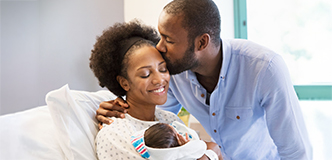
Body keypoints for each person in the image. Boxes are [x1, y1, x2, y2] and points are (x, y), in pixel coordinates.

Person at [96, 0, 312, 159]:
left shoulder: (264, 68)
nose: (159, 47)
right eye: (160, 36)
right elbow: (152, 113)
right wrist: (116, 104)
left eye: (168, 40)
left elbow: (296, 151)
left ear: (201, 43)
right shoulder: (173, 71)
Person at [90, 20, 222, 160]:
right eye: (146, 74)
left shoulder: (171, 120)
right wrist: (211, 153)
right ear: (124, 83)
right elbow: (208, 152)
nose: (159, 80)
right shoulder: (115, 135)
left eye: (163, 69)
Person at [130, 121, 219, 160]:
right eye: (175, 130)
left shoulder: (153, 152)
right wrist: (188, 146)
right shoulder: (190, 152)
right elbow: (201, 147)